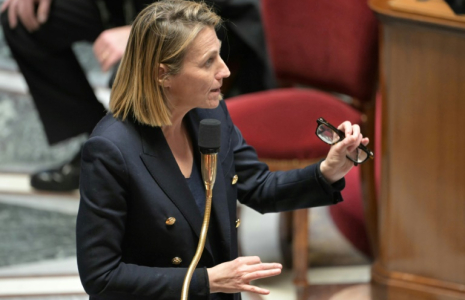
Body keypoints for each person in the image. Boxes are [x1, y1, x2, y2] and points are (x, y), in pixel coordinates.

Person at [75, 1, 370, 299]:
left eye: (220, 55)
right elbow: (102, 276)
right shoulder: (111, 150)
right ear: (162, 74)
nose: (225, 71)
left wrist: (329, 170)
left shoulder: (210, 116)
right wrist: (206, 281)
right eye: (208, 62)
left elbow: (260, 187)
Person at [0, 0, 274, 192]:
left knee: (138, 67)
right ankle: (103, 148)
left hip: (210, 16)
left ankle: (160, 172)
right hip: (124, 8)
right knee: (22, 19)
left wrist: (145, 32)